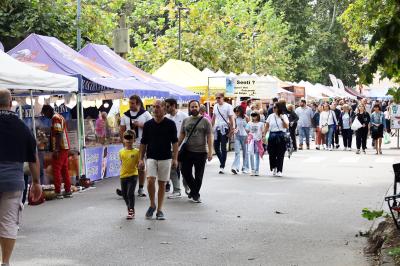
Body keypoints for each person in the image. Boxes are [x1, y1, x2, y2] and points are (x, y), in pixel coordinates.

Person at [0, 88, 42, 265]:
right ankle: (5, 262)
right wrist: (37, 182)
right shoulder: (22, 127)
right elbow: (33, 157)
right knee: (8, 223)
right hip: (13, 183)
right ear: (11, 104)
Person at [139, 100, 178, 220]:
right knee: (150, 180)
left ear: (164, 109)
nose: (155, 109)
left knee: (162, 184)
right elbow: (143, 143)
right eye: (154, 107)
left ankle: (160, 210)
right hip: (151, 157)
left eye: (158, 107)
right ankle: (152, 204)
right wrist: (141, 159)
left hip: (166, 157)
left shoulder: (170, 124)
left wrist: (175, 158)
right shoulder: (148, 125)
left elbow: (175, 143)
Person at [179, 100, 213, 203]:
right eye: (192, 107)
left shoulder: (205, 121)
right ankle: (195, 193)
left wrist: (210, 151)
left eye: (196, 106)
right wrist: (176, 147)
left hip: (201, 152)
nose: (194, 108)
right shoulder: (186, 120)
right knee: (185, 172)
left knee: (199, 175)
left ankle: (194, 194)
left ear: (199, 108)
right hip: (187, 151)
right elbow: (182, 134)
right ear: (189, 108)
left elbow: (209, 136)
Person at [120, 95, 152, 197]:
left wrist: (140, 125)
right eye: (129, 103)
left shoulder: (146, 114)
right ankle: (127, 188)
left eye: (132, 103)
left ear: (138, 103)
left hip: (142, 143)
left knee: (141, 166)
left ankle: (141, 188)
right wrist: (123, 142)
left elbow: (152, 127)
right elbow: (122, 129)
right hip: (129, 144)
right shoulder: (125, 115)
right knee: (127, 166)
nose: (130, 105)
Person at [41, 104, 72, 199]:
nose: (45, 117)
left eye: (45, 114)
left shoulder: (55, 118)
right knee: (64, 169)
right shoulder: (60, 116)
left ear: (48, 111)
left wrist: (56, 149)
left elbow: (58, 133)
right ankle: (67, 190)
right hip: (65, 147)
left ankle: (58, 191)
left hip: (61, 147)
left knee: (56, 169)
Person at [165, 98, 188, 198]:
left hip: (182, 147)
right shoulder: (166, 117)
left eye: (168, 106)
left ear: (174, 105)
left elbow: (188, 131)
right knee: (172, 169)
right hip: (169, 148)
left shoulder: (184, 116)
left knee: (184, 170)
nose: (166, 108)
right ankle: (177, 190)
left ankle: (187, 187)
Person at [263, 102, 289, 177]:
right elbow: (266, 126)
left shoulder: (284, 116)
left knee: (280, 154)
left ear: (279, 108)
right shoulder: (270, 116)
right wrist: (264, 135)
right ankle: (274, 167)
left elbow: (286, 126)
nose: (273, 109)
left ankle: (279, 170)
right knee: (271, 153)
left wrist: (282, 119)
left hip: (281, 136)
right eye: (273, 107)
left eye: (275, 107)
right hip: (272, 136)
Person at [211, 93, 234, 174]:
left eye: (219, 97)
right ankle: (222, 161)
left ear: (223, 98)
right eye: (216, 98)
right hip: (217, 128)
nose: (217, 99)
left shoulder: (228, 106)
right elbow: (213, 118)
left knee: (223, 148)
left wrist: (231, 130)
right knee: (216, 147)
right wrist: (211, 128)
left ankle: (222, 166)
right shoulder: (215, 106)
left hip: (225, 128)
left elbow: (231, 119)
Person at [119, 130, 140, 219]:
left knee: (130, 193)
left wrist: (141, 166)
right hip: (123, 176)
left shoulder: (137, 152)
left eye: (130, 138)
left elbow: (139, 163)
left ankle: (131, 211)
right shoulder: (121, 152)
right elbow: (122, 162)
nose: (128, 141)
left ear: (134, 140)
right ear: (123, 140)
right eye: (126, 138)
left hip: (133, 175)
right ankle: (130, 207)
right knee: (124, 195)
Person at [231, 106, 249, 175]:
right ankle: (235, 167)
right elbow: (234, 127)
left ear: (241, 111)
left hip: (245, 136)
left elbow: (249, 127)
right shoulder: (235, 118)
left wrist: (248, 137)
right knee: (237, 152)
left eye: (237, 111)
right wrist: (234, 129)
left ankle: (245, 168)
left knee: (245, 153)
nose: (236, 113)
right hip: (237, 136)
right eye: (235, 111)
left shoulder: (246, 117)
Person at [247, 112, 264, 176]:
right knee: (251, 155)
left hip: (258, 141)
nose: (253, 117)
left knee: (257, 156)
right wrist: (249, 136)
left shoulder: (261, 124)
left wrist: (263, 138)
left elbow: (263, 132)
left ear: (258, 116)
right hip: (251, 141)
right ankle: (252, 170)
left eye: (255, 115)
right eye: (252, 116)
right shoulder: (249, 123)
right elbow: (247, 130)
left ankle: (257, 170)